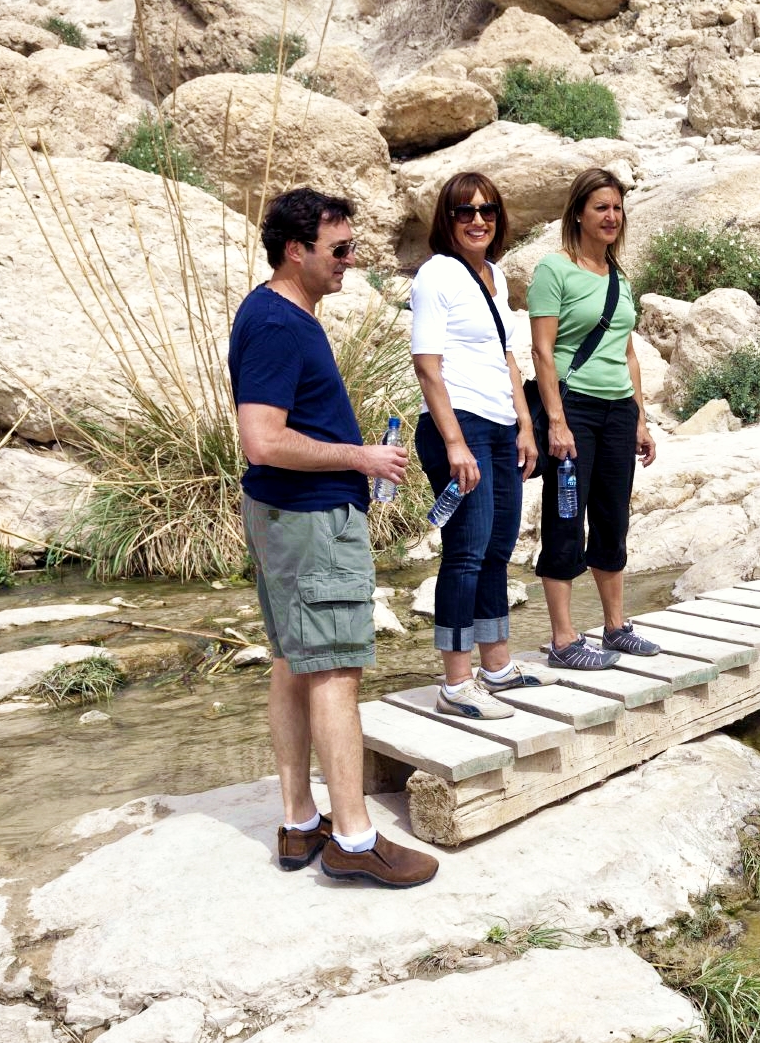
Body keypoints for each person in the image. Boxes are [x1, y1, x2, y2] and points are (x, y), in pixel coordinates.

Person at [229, 187, 438, 888]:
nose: (351, 261)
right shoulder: (279, 324)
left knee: (292, 658)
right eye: (340, 250)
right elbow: (262, 440)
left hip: (287, 518)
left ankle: (298, 823)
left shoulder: (279, 314)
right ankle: (353, 835)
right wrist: (360, 458)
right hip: (312, 521)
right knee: (335, 669)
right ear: (298, 250)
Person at [410, 172, 541, 720]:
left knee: (497, 546)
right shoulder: (436, 274)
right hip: (457, 425)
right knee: (466, 550)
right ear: (448, 219)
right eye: (465, 212)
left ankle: (497, 666)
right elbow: (427, 365)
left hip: (500, 425)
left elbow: (510, 358)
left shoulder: (495, 274)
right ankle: (456, 681)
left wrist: (526, 426)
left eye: (487, 211)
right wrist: (455, 443)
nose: (478, 220)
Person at [528, 167, 661, 670]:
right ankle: (563, 641)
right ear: (578, 213)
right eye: (601, 207)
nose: (611, 216)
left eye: (617, 208)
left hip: (618, 410)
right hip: (575, 408)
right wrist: (556, 423)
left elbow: (627, 353)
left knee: (612, 516)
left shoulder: (620, 279)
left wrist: (641, 419)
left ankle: (615, 627)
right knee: (566, 515)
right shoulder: (553, 270)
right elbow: (542, 352)